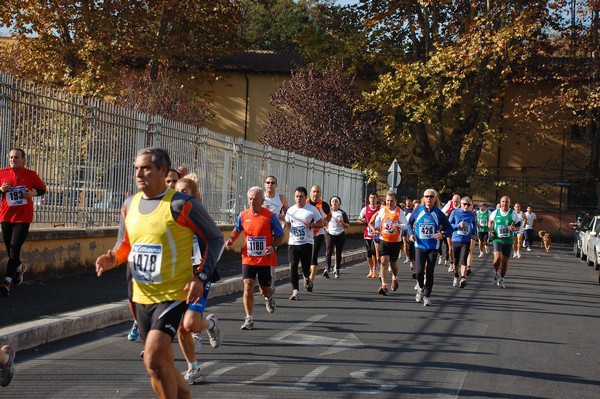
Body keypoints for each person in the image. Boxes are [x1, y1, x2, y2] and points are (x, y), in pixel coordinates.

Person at [95, 147, 224, 399]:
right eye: (136, 168)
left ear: (163, 170)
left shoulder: (180, 204)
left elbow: (215, 239)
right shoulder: (129, 203)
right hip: (140, 295)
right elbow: (125, 244)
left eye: (146, 168)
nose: (139, 173)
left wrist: (202, 276)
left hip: (173, 294)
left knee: (153, 358)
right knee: (159, 365)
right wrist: (112, 259)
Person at [128, 167, 183, 342]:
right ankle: (138, 321)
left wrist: (203, 271)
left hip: (173, 276)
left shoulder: (185, 205)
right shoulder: (135, 203)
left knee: (158, 347)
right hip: (140, 265)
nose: (171, 184)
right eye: (168, 181)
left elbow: (210, 238)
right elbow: (125, 238)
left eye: (174, 181)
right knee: (132, 298)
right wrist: (113, 257)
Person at [174, 177, 215, 385]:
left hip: (199, 276)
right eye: (177, 191)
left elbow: (215, 242)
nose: (180, 195)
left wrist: (202, 274)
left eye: (185, 191)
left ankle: (210, 323)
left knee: (188, 324)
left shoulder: (200, 216)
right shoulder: (170, 215)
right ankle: (194, 368)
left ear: (196, 196)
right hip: (178, 277)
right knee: (181, 328)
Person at [225, 186, 284, 330]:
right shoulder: (243, 215)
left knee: (264, 289)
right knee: (248, 286)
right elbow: (237, 229)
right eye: (250, 199)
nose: (252, 201)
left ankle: (269, 298)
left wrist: (273, 247)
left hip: (265, 259)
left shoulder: (269, 216)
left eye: (255, 199)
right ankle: (249, 319)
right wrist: (230, 240)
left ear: (262, 200)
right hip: (248, 258)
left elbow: (280, 235)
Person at [0, 148, 47, 296]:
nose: (13, 160)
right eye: (11, 157)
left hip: (23, 218)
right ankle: (20, 268)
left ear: (23, 159)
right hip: (6, 217)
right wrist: (1, 189)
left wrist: (32, 193)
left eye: (16, 158)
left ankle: (7, 282)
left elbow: (42, 189)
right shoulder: (2, 173)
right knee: (11, 250)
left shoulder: (31, 175)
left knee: (14, 249)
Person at [407, 189, 453, 306]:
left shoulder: (438, 213)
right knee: (419, 271)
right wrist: (411, 234)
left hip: (433, 246)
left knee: (430, 272)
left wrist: (442, 234)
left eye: (431, 196)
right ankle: (421, 288)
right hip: (420, 245)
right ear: (423, 198)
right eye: (426, 196)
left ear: (435, 199)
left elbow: (449, 228)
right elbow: (409, 223)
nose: (428, 198)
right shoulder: (417, 210)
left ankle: (427, 296)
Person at [284, 186, 324, 300]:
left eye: (301, 196)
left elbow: (321, 223)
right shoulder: (290, 210)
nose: (298, 199)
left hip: (307, 242)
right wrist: (285, 225)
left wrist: (311, 225)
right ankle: (295, 291)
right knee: (293, 266)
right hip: (293, 243)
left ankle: (307, 277)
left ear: (305, 197)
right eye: (296, 196)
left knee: (306, 268)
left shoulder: (311, 209)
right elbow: (288, 223)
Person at [371, 191, 407, 296]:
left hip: (395, 241)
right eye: (387, 201)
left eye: (391, 201)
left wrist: (398, 226)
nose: (389, 203)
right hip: (384, 239)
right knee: (383, 262)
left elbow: (406, 225)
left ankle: (395, 277)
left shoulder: (400, 212)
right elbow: (377, 220)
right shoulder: (382, 211)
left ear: (396, 201)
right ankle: (384, 285)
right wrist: (377, 228)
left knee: (393, 263)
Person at [489, 195, 518, 288]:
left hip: (508, 240)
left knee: (505, 262)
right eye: (503, 201)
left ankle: (501, 279)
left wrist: (514, 228)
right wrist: (491, 230)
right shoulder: (496, 212)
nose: (504, 203)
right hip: (497, 238)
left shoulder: (513, 213)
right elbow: (490, 221)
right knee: (497, 258)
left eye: (507, 202)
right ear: (500, 203)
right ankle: (496, 271)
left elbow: (519, 224)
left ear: (509, 203)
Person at [448, 196, 478, 288]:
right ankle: (456, 275)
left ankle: (463, 278)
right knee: (456, 260)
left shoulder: (472, 214)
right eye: (464, 204)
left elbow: (474, 225)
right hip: (456, 239)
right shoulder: (455, 212)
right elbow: (449, 225)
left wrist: (474, 234)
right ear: (461, 204)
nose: (466, 206)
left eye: (468, 204)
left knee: (464, 259)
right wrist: (458, 226)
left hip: (466, 240)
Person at [306, 185, 331, 285]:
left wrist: (326, 222)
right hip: (306, 234)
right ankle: (307, 275)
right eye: (314, 191)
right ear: (310, 192)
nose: (315, 194)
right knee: (305, 256)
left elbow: (329, 215)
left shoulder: (323, 204)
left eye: (317, 192)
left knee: (313, 255)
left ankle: (311, 281)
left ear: (320, 193)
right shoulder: (305, 202)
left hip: (318, 233)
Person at [324, 196, 350, 278]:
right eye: (333, 201)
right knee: (329, 251)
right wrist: (325, 226)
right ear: (330, 204)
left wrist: (342, 222)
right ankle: (327, 268)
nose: (334, 203)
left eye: (336, 201)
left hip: (340, 234)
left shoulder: (342, 213)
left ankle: (337, 269)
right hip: (330, 233)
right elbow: (323, 221)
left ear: (339, 204)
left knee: (338, 253)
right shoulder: (327, 213)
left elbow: (348, 226)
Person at [358, 192, 380, 278]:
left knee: (375, 252)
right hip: (367, 234)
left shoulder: (380, 209)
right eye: (371, 197)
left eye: (374, 197)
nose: (372, 199)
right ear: (368, 199)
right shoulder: (365, 209)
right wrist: (362, 221)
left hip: (377, 235)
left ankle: (375, 269)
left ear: (377, 199)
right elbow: (359, 220)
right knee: (369, 253)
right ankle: (370, 269)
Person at [441, 194, 461, 272]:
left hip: (457, 230)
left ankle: (456, 263)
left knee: (457, 249)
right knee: (450, 248)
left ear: (460, 201)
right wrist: (446, 215)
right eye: (454, 202)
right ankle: (451, 263)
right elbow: (441, 213)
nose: (455, 203)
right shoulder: (449, 205)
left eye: (457, 202)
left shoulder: (461, 207)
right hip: (449, 229)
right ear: (452, 201)